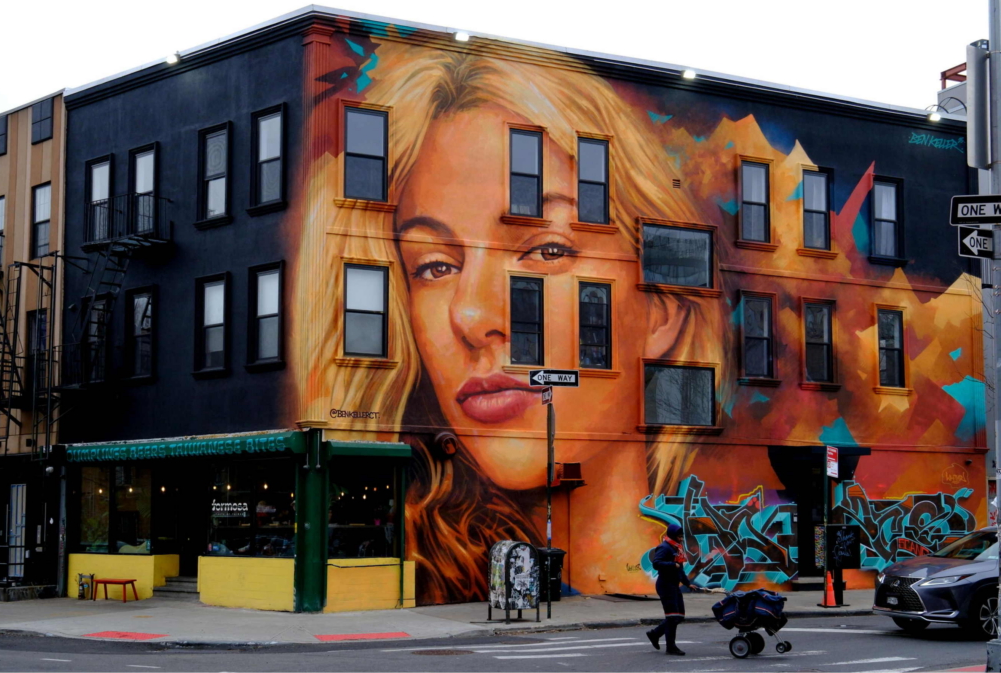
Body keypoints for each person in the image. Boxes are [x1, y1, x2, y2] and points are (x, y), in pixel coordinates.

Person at [300, 41, 726, 603]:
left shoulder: (704, 556)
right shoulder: (419, 560)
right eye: (434, 266)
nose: (471, 315)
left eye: (547, 251)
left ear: (660, 310)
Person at [646, 523, 698, 655]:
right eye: (679, 536)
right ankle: (671, 647)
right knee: (672, 617)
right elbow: (656, 563)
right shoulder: (664, 547)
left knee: (679, 616)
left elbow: (680, 569)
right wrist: (671, 564)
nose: (681, 539)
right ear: (672, 535)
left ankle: (655, 634)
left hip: (674, 586)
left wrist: (687, 583)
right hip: (665, 586)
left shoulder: (677, 548)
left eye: (682, 537)